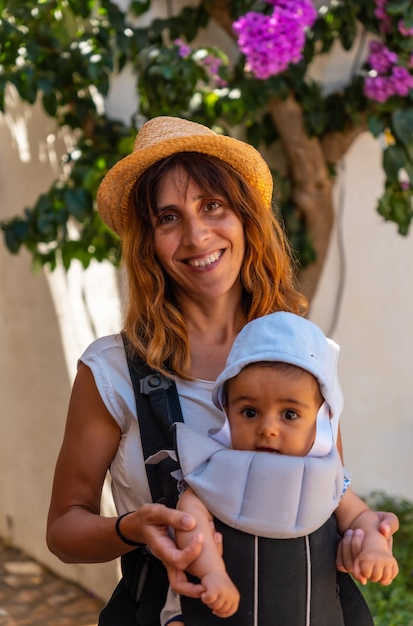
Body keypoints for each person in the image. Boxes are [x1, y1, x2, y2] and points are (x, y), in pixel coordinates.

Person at [46, 116, 398, 626]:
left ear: (245, 217)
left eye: (212, 206)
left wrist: (361, 536)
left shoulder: (309, 353)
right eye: (168, 218)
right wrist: (132, 527)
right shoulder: (112, 371)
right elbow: (63, 530)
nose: (195, 235)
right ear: (148, 243)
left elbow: (329, 490)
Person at [160, 312, 398, 625]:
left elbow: (361, 518)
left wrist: (374, 547)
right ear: (227, 413)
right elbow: (189, 522)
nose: (267, 428)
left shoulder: (327, 478)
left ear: (321, 420)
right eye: (250, 412)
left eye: (289, 414)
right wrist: (212, 572)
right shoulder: (215, 473)